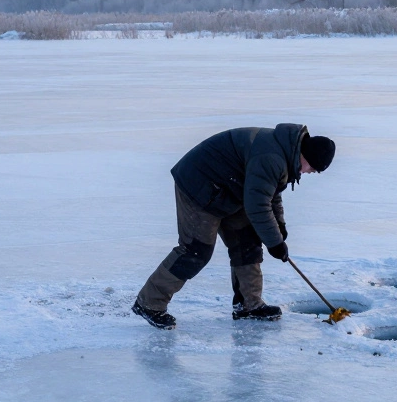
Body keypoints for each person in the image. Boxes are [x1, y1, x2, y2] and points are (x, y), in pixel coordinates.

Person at [133, 123, 335, 330]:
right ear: (305, 154)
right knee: (196, 250)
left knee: (247, 243)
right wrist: (275, 243)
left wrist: (279, 226)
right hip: (200, 184)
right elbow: (258, 205)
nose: (310, 172)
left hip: (231, 189)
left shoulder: (286, 152)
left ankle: (248, 306)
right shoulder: (272, 157)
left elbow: (271, 193)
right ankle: (149, 303)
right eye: (312, 167)